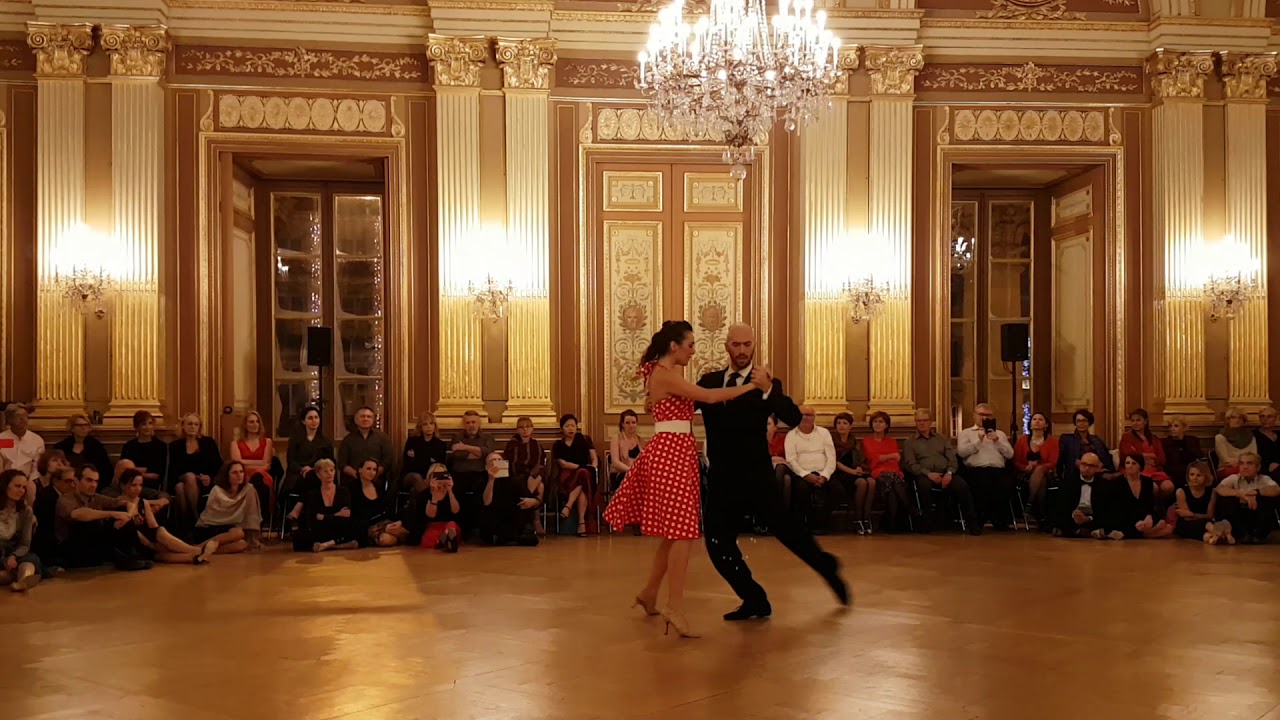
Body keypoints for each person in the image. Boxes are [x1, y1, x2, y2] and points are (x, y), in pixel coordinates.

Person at [604, 320, 772, 639]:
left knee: (674, 534)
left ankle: (650, 593)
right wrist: (753, 386)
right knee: (683, 533)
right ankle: (674, 606)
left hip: (676, 451)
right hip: (671, 454)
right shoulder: (665, 375)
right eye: (691, 345)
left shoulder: (665, 373)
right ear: (674, 346)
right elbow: (709, 397)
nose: (694, 351)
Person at [691, 323, 848, 626]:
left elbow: (793, 416)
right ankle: (754, 599)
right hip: (723, 480)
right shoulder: (710, 382)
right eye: (736, 344)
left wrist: (768, 389)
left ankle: (828, 569)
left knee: (790, 533)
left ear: (754, 345)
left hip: (758, 478)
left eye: (747, 344)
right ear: (726, 346)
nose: (742, 350)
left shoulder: (765, 383)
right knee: (717, 543)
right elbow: (684, 402)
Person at [53, 465, 152, 571]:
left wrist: (128, 515)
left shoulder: (96, 497)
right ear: (76, 481)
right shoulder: (66, 499)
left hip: (94, 546)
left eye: (96, 481)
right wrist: (112, 514)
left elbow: (125, 503)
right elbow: (78, 514)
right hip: (72, 547)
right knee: (90, 522)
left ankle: (131, 556)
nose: (93, 485)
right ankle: (122, 558)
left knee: (121, 512)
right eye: (89, 480)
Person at [117, 469, 220, 564]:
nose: (138, 489)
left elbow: (153, 526)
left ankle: (196, 556)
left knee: (162, 549)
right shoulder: (117, 504)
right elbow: (132, 532)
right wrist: (151, 545)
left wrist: (156, 544)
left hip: (152, 543)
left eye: (140, 485)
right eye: (134, 485)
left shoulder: (143, 502)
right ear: (122, 485)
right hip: (136, 544)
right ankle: (199, 550)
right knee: (159, 547)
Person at [904, 409, 977, 535]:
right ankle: (926, 523)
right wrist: (928, 474)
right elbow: (911, 464)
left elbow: (952, 459)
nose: (921, 423)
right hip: (924, 474)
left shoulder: (942, 439)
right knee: (924, 486)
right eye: (918, 420)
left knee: (962, 486)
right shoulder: (910, 442)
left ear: (930, 422)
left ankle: (972, 524)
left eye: (924, 420)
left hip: (945, 472)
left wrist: (949, 473)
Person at [957, 403, 1016, 530]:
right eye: (981, 414)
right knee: (982, 483)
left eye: (988, 415)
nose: (984, 418)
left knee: (1006, 484)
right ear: (974, 416)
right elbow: (962, 452)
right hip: (976, 469)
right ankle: (978, 520)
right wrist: (978, 441)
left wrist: (997, 441)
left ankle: (1000, 521)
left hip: (998, 470)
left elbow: (1010, 454)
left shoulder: (1000, 434)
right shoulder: (966, 433)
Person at [784, 405, 842, 533]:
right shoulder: (791, 435)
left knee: (838, 490)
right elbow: (791, 460)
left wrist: (825, 476)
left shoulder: (824, 433)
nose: (805, 417)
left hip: (823, 472)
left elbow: (831, 457)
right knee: (801, 490)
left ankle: (821, 520)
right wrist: (805, 475)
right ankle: (809, 522)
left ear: (814, 417)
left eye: (808, 415)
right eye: (802, 414)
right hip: (802, 473)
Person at [1093, 454, 1169, 540]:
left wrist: (1148, 517)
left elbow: (1149, 505)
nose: (1130, 466)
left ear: (1140, 466)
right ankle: (1135, 532)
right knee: (1159, 527)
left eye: (1134, 463)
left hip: (1142, 518)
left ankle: (1139, 534)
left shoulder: (1147, 482)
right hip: (1125, 519)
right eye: (1127, 463)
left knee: (1166, 526)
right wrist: (1136, 525)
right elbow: (1117, 509)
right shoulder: (1118, 482)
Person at [168, 412, 223, 532]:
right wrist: (194, 477)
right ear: (183, 426)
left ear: (199, 427)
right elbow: (173, 471)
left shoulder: (208, 443)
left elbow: (218, 466)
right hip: (183, 478)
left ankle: (184, 529)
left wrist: (209, 477)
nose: (192, 427)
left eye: (196, 424)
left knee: (180, 489)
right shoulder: (175, 446)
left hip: (204, 484)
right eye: (189, 424)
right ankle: (196, 518)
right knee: (189, 477)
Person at [289, 459, 358, 553]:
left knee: (354, 527)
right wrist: (336, 515)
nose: (329, 473)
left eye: (331, 470)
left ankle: (328, 545)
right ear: (318, 475)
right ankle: (336, 544)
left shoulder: (344, 491)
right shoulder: (312, 494)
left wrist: (324, 516)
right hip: (321, 529)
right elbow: (312, 519)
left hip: (338, 527)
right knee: (299, 537)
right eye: (325, 471)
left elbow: (346, 515)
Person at [1213, 452, 1279, 544]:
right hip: (1240, 517)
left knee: (1268, 498)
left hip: (1257, 516)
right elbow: (1219, 489)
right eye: (1241, 463)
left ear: (1258, 467)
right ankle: (1242, 535)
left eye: (1249, 463)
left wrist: (1255, 493)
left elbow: (1276, 489)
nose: (1244, 467)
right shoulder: (1234, 478)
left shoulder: (1264, 479)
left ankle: (1258, 536)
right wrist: (1240, 493)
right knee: (1226, 499)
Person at [863, 412, 913, 533]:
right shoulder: (867, 441)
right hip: (877, 472)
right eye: (875, 421)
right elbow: (872, 459)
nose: (877, 424)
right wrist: (889, 456)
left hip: (893, 473)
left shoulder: (892, 441)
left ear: (886, 425)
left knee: (892, 490)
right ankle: (910, 509)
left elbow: (896, 460)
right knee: (894, 482)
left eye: (881, 422)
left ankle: (891, 525)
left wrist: (882, 458)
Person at [195, 461, 259, 552]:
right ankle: (197, 548)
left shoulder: (248, 490)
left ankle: (202, 550)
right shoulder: (217, 491)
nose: (239, 475)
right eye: (234, 472)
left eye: (241, 472)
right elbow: (211, 517)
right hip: (208, 527)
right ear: (227, 475)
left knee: (242, 544)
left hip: (230, 529)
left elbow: (251, 514)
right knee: (238, 532)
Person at [553, 413, 599, 537]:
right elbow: (563, 464)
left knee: (584, 475)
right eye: (567, 426)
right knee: (582, 475)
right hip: (568, 475)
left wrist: (593, 468)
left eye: (573, 426)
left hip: (586, 474)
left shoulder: (584, 439)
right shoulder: (558, 444)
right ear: (562, 428)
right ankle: (581, 523)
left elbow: (594, 458)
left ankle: (568, 506)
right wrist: (581, 468)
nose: (570, 428)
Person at [480, 452, 539, 546]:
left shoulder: (514, 480)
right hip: (494, 519)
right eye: (493, 460)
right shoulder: (482, 480)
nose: (497, 462)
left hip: (512, 519)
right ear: (486, 467)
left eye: (499, 460)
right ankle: (512, 538)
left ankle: (510, 538)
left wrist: (533, 502)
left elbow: (534, 500)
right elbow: (486, 502)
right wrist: (491, 480)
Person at [0, 469, 43, 592]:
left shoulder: (26, 511)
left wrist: (13, 556)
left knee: (29, 562)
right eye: (17, 486)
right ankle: (14, 577)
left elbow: (25, 543)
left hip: (14, 551)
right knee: (3, 575)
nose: (21, 490)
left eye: (24, 487)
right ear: (5, 485)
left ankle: (22, 582)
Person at [1013, 411, 1058, 524]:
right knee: (1041, 481)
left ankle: (1029, 504)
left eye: (1040, 419)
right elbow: (1016, 461)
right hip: (1025, 474)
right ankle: (1041, 515)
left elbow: (1052, 462)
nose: (1037, 421)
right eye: (1034, 419)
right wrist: (1026, 467)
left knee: (1040, 470)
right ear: (1030, 424)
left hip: (1048, 472)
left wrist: (1036, 467)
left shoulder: (1053, 441)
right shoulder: (1022, 440)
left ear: (1046, 424)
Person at [503, 417, 546, 535]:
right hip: (516, 476)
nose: (525, 429)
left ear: (532, 429)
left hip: (533, 476)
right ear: (517, 430)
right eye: (521, 427)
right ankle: (533, 519)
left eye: (528, 427)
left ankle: (534, 520)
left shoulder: (536, 445)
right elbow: (509, 463)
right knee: (539, 486)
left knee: (539, 481)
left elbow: (540, 463)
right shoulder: (512, 444)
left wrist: (531, 474)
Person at [831, 413, 873, 534]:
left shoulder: (854, 441)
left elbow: (859, 459)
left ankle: (866, 518)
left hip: (853, 471)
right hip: (839, 474)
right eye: (839, 423)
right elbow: (835, 462)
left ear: (850, 426)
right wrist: (852, 472)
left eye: (845, 423)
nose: (841, 426)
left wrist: (859, 467)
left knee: (871, 482)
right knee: (862, 483)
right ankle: (858, 518)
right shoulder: (831, 441)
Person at [1118, 408, 1172, 499]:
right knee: (1153, 488)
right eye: (1132, 421)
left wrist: (1149, 459)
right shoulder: (1127, 437)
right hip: (1136, 470)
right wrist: (1148, 456)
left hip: (1154, 470)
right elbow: (1129, 455)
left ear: (1146, 421)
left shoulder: (1154, 438)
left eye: (1138, 420)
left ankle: (1158, 505)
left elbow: (1162, 459)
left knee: (1168, 487)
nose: (1135, 423)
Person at [336, 406, 395, 488]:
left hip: (376, 482)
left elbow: (387, 460)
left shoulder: (383, 438)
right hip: (353, 483)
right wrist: (358, 475)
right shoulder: (348, 440)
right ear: (356, 419)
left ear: (373, 420)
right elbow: (342, 463)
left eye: (369, 416)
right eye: (362, 416)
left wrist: (372, 474)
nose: (365, 419)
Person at [352, 459, 406, 547]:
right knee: (386, 539)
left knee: (404, 533)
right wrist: (382, 527)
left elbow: (386, 511)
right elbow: (356, 515)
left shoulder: (378, 488)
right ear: (360, 470)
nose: (372, 472)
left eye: (374, 470)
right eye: (368, 469)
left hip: (383, 522)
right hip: (365, 526)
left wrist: (390, 524)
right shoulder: (351, 488)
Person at [1050, 452, 1104, 538]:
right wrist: (1074, 515)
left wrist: (1088, 519)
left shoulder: (1103, 485)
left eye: (1091, 466)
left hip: (1092, 518)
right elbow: (1061, 506)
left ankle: (1078, 531)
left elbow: (1104, 510)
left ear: (1097, 468)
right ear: (1079, 465)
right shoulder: (1068, 482)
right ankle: (1083, 532)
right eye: (1084, 464)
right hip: (1073, 518)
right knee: (1060, 520)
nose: (1087, 468)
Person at [284, 405, 334, 499]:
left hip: (319, 474)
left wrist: (314, 469)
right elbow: (291, 461)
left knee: (315, 479)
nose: (314, 420)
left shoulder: (325, 441)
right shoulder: (295, 439)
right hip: (298, 474)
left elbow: (330, 462)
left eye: (316, 417)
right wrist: (302, 469)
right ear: (304, 421)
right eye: (310, 418)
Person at [230, 410, 276, 512]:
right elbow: (237, 463)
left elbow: (266, 464)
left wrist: (244, 462)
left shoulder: (267, 442)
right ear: (245, 425)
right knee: (249, 479)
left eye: (257, 421)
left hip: (262, 476)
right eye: (251, 422)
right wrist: (259, 463)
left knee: (259, 479)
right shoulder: (235, 443)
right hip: (242, 475)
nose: (255, 424)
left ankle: (261, 515)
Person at [54, 413, 113, 487]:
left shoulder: (95, 445)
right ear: (72, 428)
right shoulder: (62, 446)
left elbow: (105, 468)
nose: (83, 428)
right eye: (79, 425)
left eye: (86, 425)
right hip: (68, 483)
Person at [117, 410, 169, 492]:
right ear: (137, 427)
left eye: (150, 423)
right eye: (144, 424)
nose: (148, 427)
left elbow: (156, 475)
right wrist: (145, 470)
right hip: (129, 486)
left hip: (151, 487)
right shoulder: (129, 446)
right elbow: (123, 470)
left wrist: (134, 470)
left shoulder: (160, 446)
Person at [1057, 408, 1113, 482]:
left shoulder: (1096, 439)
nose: (1081, 423)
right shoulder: (1067, 439)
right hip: (1076, 473)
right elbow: (1065, 458)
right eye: (1078, 421)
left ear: (1089, 422)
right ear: (1075, 423)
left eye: (1084, 421)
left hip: (1097, 472)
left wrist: (1101, 465)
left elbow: (1106, 457)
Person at [402, 411, 449, 491]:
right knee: (417, 478)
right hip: (411, 475)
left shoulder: (440, 444)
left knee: (416, 489)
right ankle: (427, 498)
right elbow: (409, 464)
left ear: (435, 426)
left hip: (432, 475)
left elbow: (439, 465)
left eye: (431, 423)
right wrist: (429, 459)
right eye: (425, 424)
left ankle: (422, 497)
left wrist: (418, 456)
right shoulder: (412, 441)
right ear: (420, 427)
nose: (429, 427)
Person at [420, 466, 462, 553]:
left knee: (451, 526)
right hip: (433, 526)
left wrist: (450, 491)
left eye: (443, 475)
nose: (440, 479)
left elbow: (455, 511)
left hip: (449, 525)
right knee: (431, 535)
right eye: (437, 475)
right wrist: (434, 496)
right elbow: (431, 515)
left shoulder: (453, 491)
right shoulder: (425, 494)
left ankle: (446, 540)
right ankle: (443, 541)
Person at [1172, 461, 1215, 541]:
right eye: (1192, 474)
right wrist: (1196, 516)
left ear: (1205, 476)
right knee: (1206, 524)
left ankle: (1212, 537)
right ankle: (1217, 534)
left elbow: (1210, 515)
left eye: (1199, 475)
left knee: (1208, 527)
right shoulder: (1181, 491)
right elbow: (1187, 517)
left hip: (1205, 522)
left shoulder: (1212, 492)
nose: (1195, 478)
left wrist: (1193, 514)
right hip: (1187, 524)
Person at [0, 405, 45, 477]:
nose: (22, 419)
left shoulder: (36, 440)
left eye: (25, 415)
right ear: (9, 419)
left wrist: (31, 481)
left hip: (29, 480)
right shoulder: (2, 439)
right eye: (18, 416)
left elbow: (36, 467)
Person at [1160, 415, 1204, 487]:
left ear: (1184, 428)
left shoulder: (1192, 440)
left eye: (1176, 426)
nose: (1172, 429)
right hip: (1173, 473)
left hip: (1191, 472)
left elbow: (1199, 456)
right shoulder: (1165, 442)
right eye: (1170, 426)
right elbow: (1165, 464)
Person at [1215, 407, 1257, 479]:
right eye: (1233, 417)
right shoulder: (1220, 437)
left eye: (1240, 418)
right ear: (1228, 420)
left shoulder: (1250, 436)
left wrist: (1243, 463)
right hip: (1226, 469)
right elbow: (1226, 461)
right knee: (1247, 471)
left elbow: (1254, 456)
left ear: (1244, 420)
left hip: (1247, 467)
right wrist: (1244, 462)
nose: (1237, 420)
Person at [609, 410, 643, 491]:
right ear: (622, 424)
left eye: (633, 422)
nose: (631, 425)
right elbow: (615, 462)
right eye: (627, 423)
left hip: (636, 473)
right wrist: (631, 470)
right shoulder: (616, 438)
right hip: (620, 473)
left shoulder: (640, 439)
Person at [1254, 406, 1280, 477]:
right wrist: (1268, 465)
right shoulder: (1254, 435)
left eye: (1269, 416)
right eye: (1262, 416)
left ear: (1276, 418)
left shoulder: (1279, 434)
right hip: (1263, 470)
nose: (1265, 419)